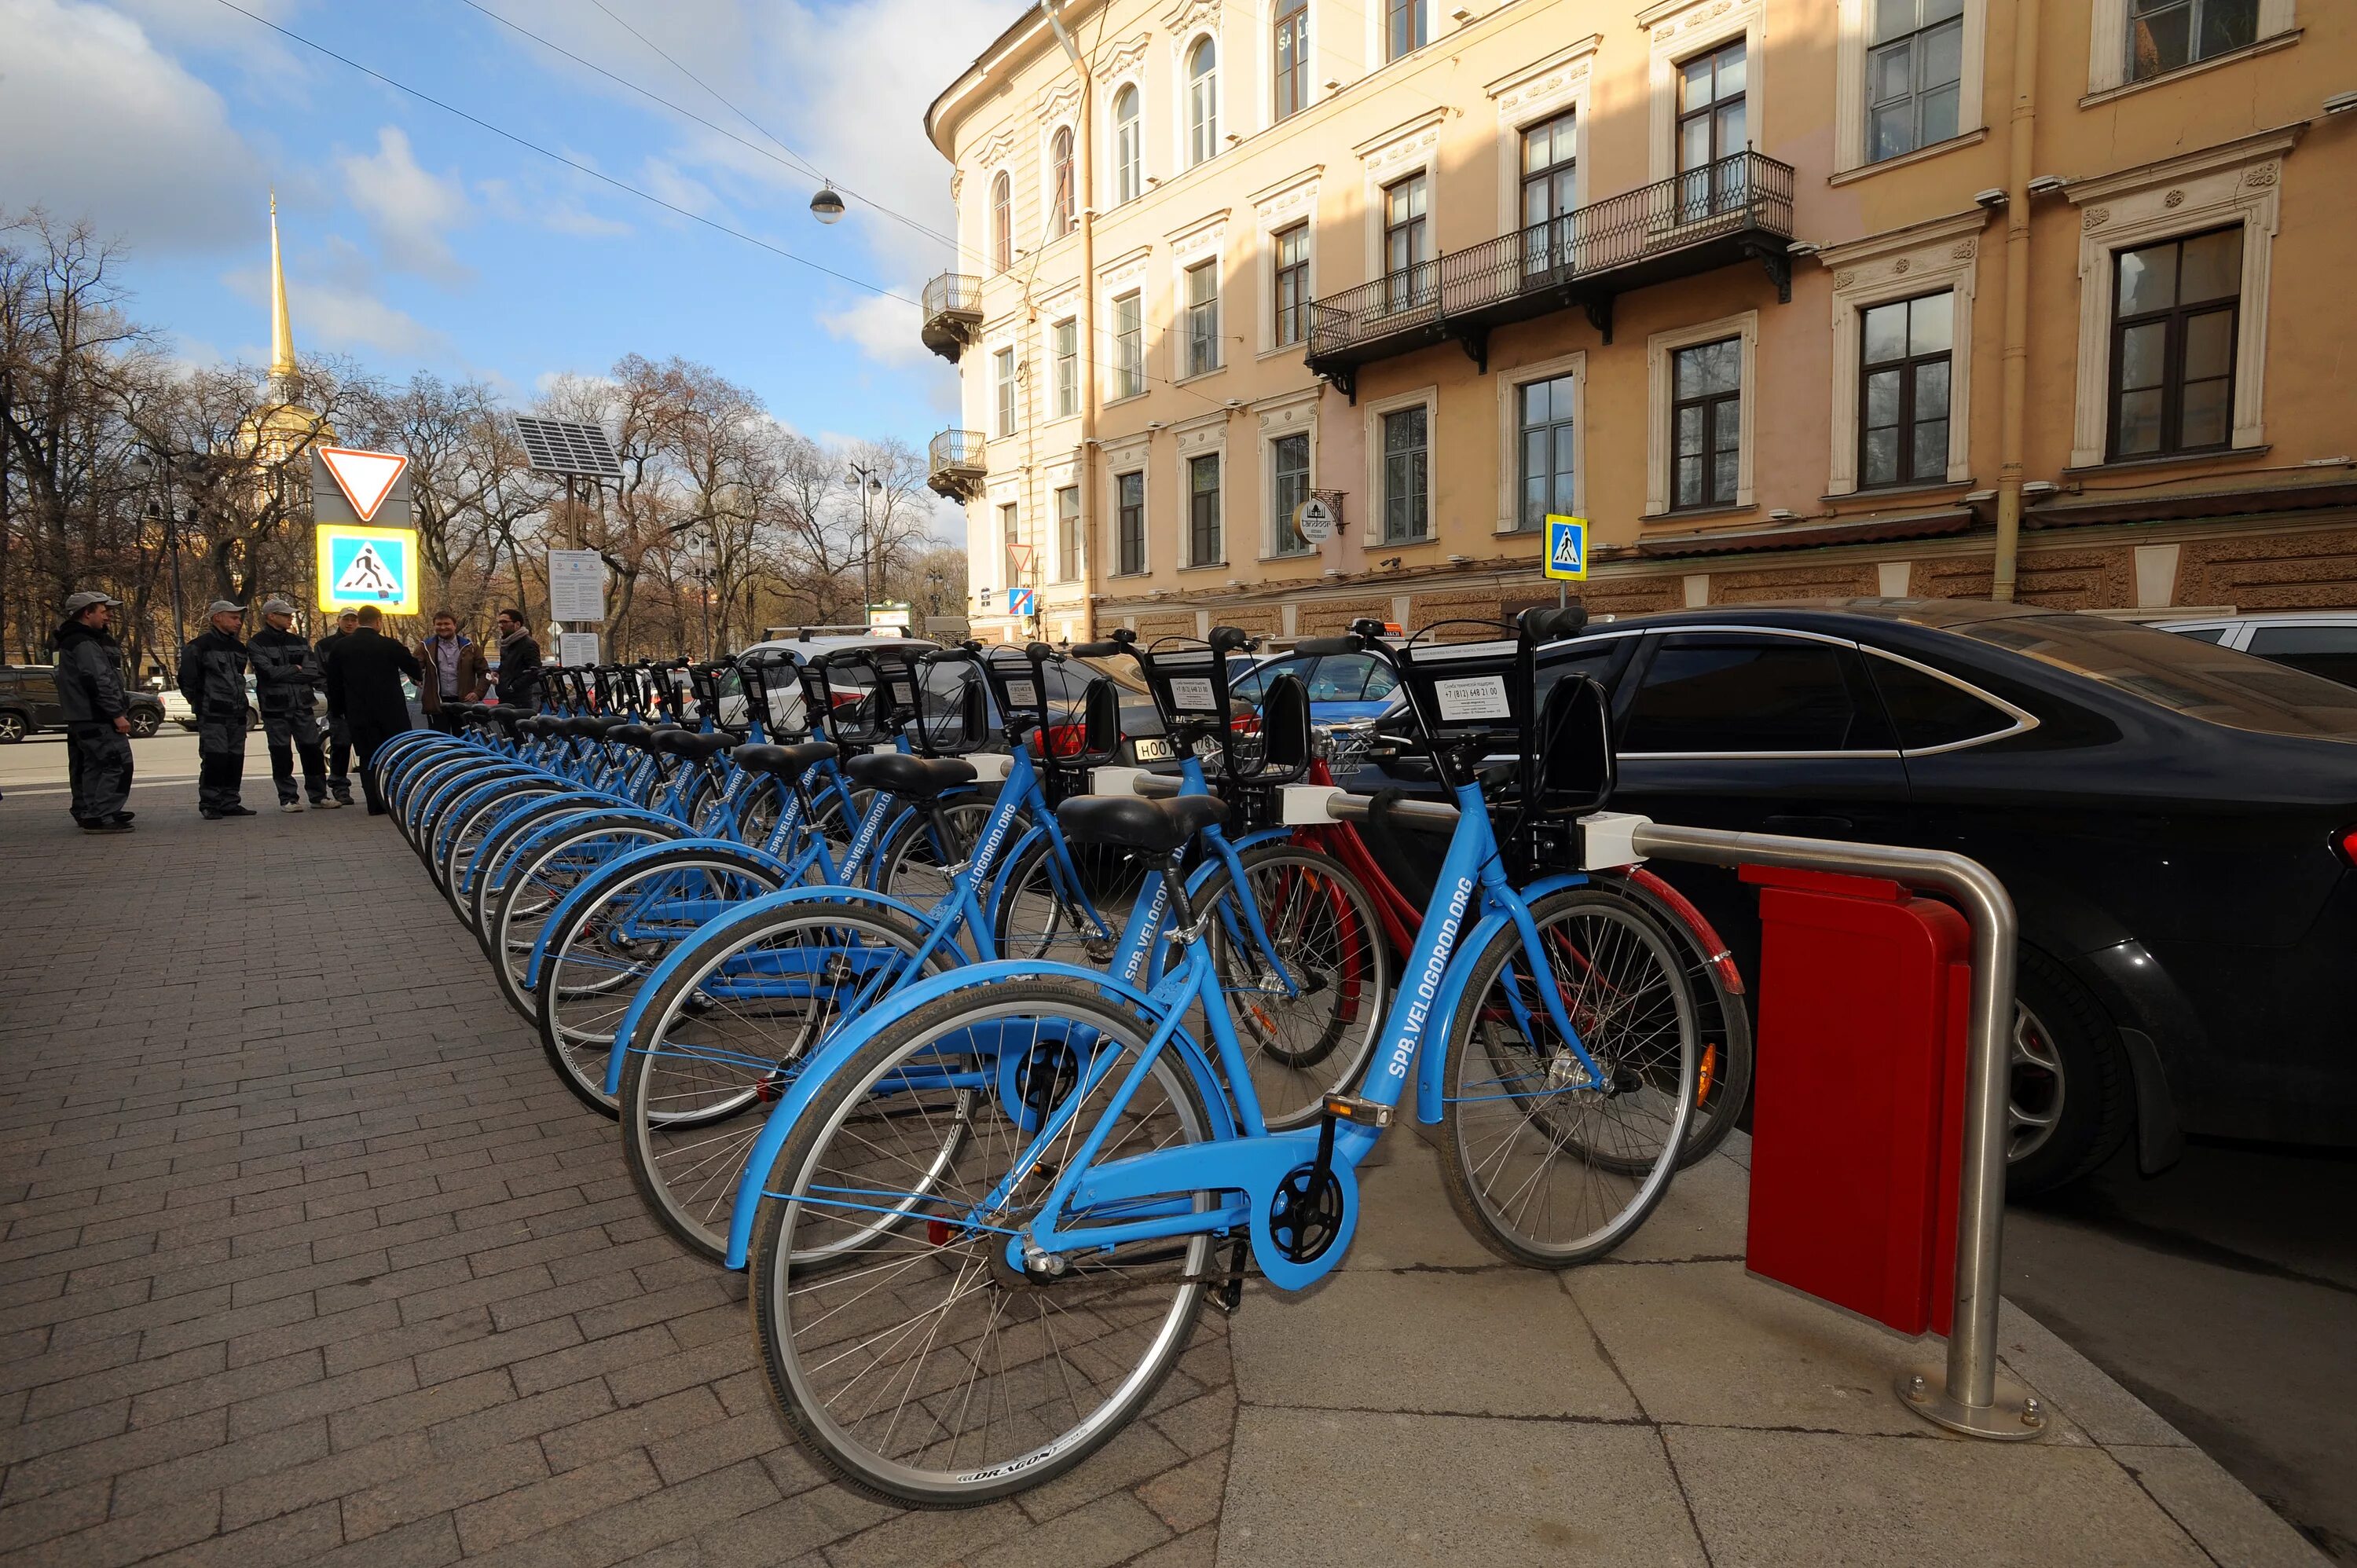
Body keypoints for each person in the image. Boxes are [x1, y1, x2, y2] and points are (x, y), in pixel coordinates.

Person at [324, 604, 421, 815]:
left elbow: (333, 683)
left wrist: (339, 709)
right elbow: (414, 669)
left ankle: (374, 804)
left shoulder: (341, 647)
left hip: (359, 713)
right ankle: (397, 799)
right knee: (397, 755)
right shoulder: (388, 645)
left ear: (359, 621)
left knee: (368, 757)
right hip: (392, 713)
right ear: (379, 621)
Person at [54, 590, 136, 832]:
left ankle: (94, 811)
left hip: (83, 715)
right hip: (97, 715)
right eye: (103, 611)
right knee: (117, 763)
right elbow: (98, 680)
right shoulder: (84, 642)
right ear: (87, 613)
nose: (108, 616)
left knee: (95, 765)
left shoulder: (71, 640)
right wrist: (116, 714)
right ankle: (102, 813)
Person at [250, 597, 333, 811]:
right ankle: (288, 798)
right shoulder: (257, 643)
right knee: (281, 754)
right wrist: (295, 669)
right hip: (275, 708)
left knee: (312, 752)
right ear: (271, 617)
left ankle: (319, 795)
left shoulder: (298, 640)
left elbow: (311, 671)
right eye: (285, 615)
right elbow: (268, 673)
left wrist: (291, 672)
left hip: (303, 705)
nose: (290, 618)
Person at [177, 599, 255, 819]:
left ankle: (230, 801)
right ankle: (210, 803)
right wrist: (201, 703)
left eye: (239, 618)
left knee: (235, 758)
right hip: (212, 713)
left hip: (237, 712)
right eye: (233, 617)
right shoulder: (199, 646)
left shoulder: (239, 648)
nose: (238, 622)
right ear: (217, 617)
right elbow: (187, 680)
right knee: (215, 758)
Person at [315, 609, 360, 806]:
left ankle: (373, 787)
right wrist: (335, 693)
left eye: (353, 620)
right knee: (341, 745)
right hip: (339, 704)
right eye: (346, 620)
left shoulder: (364, 644)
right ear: (338, 621)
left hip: (363, 703)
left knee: (367, 747)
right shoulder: (324, 645)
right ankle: (340, 787)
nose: (350, 624)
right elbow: (319, 675)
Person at [418, 610, 486, 733]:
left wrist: (477, 692)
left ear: (454, 626)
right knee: (440, 744)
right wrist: (415, 677)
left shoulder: (471, 647)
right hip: (437, 704)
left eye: (447, 624)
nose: (443, 627)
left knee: (463, 744)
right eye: (439, 624)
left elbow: (485, 673)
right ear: (434, 626)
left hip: (463, 704)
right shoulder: (425, 647)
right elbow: (415, 667)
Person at [492, 608, 543, 709]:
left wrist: (512, 687)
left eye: (505, 622)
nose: (501, 626)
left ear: (517, 624)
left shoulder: (528, 644)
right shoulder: (506, 643)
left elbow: (535, 672)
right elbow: (507, 666)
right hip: (504, 698)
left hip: (520, 702)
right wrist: (497, 672)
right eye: (499, 623)